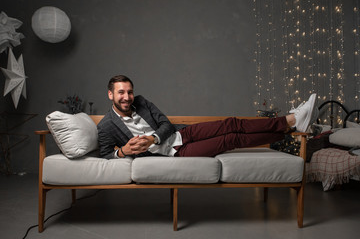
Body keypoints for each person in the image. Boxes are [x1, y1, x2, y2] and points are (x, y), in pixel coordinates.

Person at [97, 75, 317, 159]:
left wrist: (153, 138)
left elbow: (164, 123)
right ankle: (288, 129)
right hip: (177, 152)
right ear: (110, 94)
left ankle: (290, 120)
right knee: (230, 139)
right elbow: (106, 153)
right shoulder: (107, 125)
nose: (127, 97)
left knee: (232, 123)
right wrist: (123, 151)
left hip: (181, 133)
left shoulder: (141, 102)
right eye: (121, 92)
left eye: (129, 92)